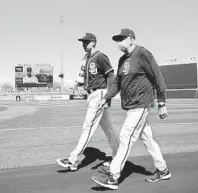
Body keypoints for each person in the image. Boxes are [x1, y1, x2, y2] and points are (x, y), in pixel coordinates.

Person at [92, 28, 171, 190]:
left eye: (121, 39)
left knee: (125, 136)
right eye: (117, 40)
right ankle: (163, 170)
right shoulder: (123, 60)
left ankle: (113, 176)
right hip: (131, 106)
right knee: (148, 139)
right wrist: (106, 98)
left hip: (140, 104)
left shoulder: (143, 54)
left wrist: (162, 103)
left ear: (131, 39)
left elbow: (158, 77)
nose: (118, 43)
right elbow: (117, 84)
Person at [56, 33, 119, 171]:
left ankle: (73, 159)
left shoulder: (101, 57)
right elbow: (85, 78)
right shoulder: (86, 59)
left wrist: (108, 97)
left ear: (94, 42)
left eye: (86, 42)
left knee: (88, 127)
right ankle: (119, 156)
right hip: (91, 94)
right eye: (82, 42)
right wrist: (78, 84)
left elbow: (110, 75)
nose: (83, 44)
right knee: (109, 129)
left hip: (99, 94)